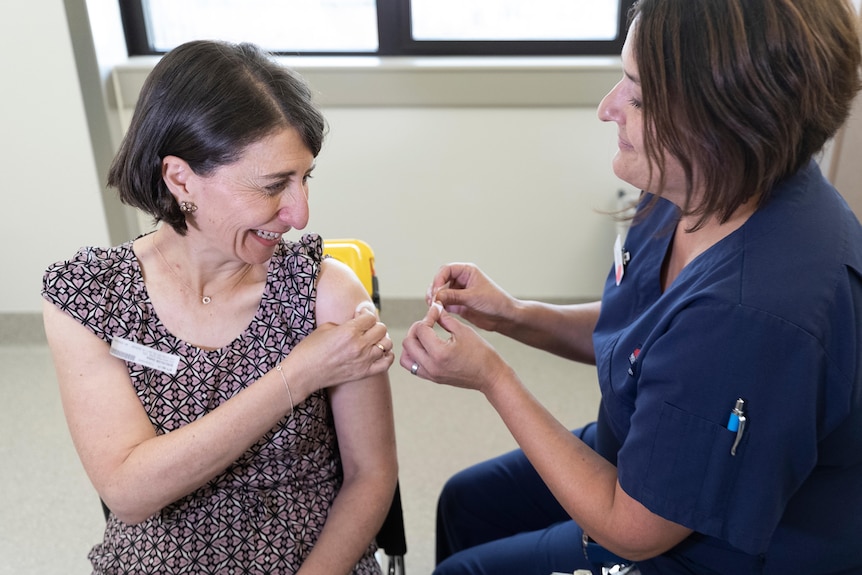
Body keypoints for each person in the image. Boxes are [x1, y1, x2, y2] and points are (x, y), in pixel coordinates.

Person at [400, 0, 862, 573]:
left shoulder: (755, 317)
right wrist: (514, 314)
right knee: (465, 503)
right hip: (644, 444)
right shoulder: (697, 182)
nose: (607, 108)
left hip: (702, 544)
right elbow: (648, 335)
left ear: (728, 120)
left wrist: (492, 377)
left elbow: (633, 530)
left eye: (639, 96)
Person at [42, 40, 397, 575]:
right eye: (274, 185)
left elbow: (372, 475)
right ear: (181, 179)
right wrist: (296, 376)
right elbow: (129, 493)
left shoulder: (328, 293)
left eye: (305, 179)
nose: (300, 214)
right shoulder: (89, 299)